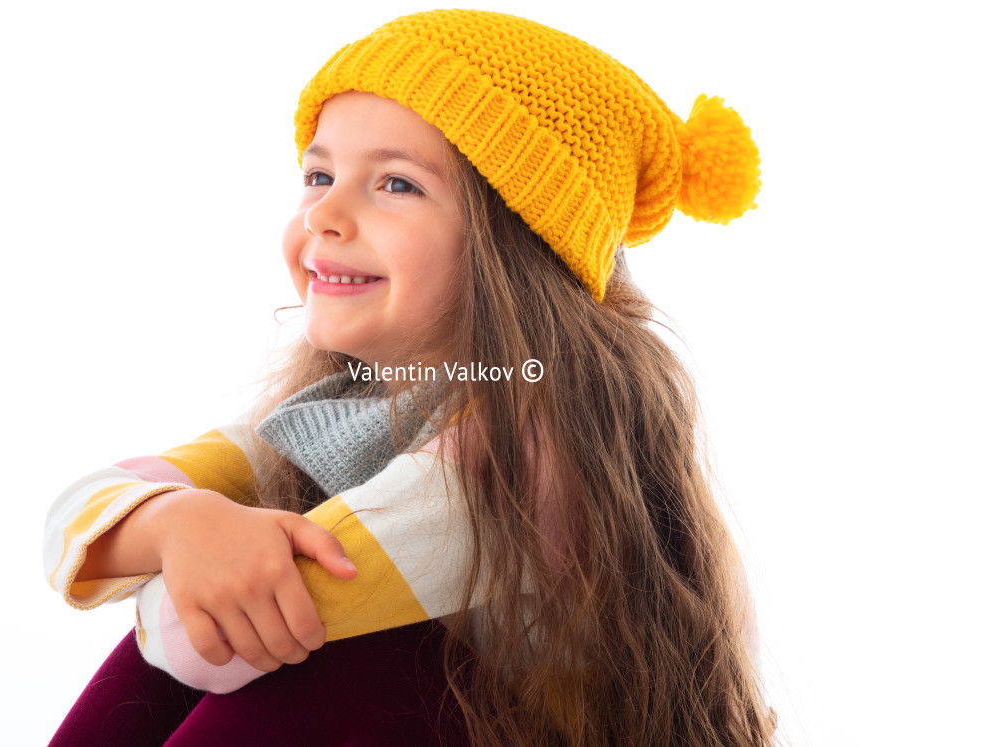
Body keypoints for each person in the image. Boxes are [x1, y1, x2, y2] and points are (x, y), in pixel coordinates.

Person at [44, 9, 774, 746]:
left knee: (315, 635)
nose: (325, 212)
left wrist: (183, 548)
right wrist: (178, 520)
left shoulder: (526, 453)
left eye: (395, 184)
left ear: (512, 245)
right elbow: (73, 518)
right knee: (234, 575)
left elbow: (190, 639)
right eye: (319, 174)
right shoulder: (348, 410)